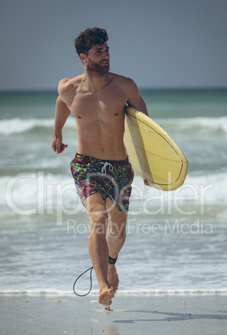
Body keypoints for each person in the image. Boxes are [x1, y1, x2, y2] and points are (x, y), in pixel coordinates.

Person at [52, 27, 148, 307]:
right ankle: (103, 285)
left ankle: (112, 263)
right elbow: (61, 102)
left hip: (120, 167)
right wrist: (57, 132)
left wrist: (149, 167)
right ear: (84, 57)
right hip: (87, 165)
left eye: (107, 50)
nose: (106, 56)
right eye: (98, 52)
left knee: (117, 233)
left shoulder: (125, 86)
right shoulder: (69, 88)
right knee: (99, 220)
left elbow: (147, 129)